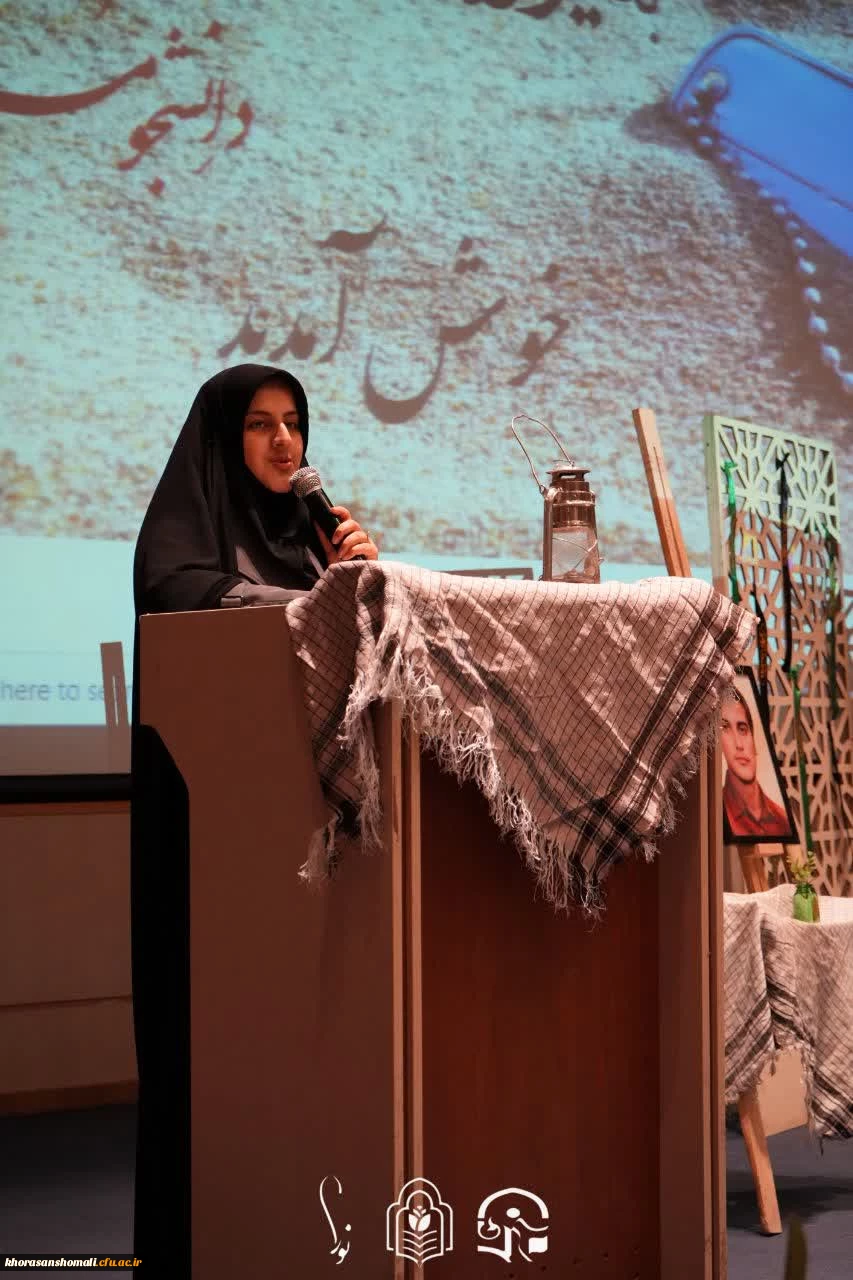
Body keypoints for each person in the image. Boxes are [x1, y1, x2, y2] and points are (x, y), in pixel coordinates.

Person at [130, 364, 378, 1273]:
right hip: (219, 838)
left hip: (314, 828)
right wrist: (320, 604)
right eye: (260, 425)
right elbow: (182, 596)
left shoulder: (313, 540)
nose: (284, 442)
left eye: (294, 423)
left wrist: (363, 579)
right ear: (220, 441)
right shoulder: (182, 546)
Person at [720, 690, 791, 838]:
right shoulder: (719, 813)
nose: (739, 744)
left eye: (742, 729)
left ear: (753, 739)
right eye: (726, 728)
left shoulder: (782, 820)